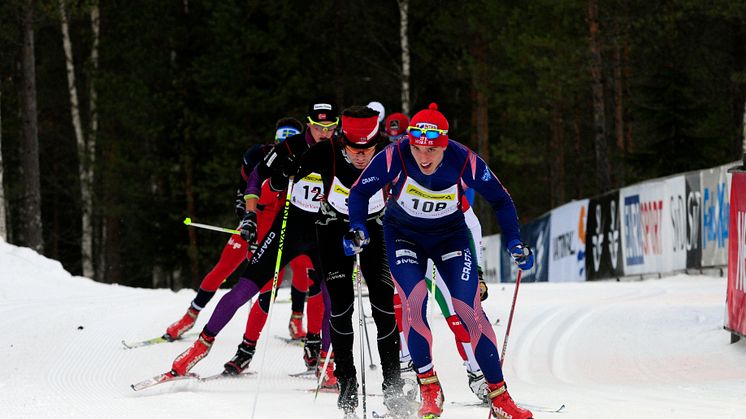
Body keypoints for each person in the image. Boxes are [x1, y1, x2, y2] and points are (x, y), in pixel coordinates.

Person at [345, 103, 535, 419]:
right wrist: (358, 227)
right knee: (412, 302)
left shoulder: (464, 160)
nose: (424, 157)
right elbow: (358, 192)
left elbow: (501, 198)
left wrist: (514, 240)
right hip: (404, 237)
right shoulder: (395, 155)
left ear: (444, 144)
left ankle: (500, 396)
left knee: (469, 310)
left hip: (450, 237)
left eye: (431, 150)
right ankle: (429, 389)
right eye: (418, 148)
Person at [165, 98, 338, 387]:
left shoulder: (340, 149)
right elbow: (257, 175)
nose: (325, 133)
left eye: (330, 127)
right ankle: (200, 347)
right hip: (290, 228)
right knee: (245, 286)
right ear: (309, 124)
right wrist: (249, 215)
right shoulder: (291, 147)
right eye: (319, 127)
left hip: (324, 230)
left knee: (331, 294)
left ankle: (326, 360)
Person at [275, 106, 407, 416]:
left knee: (383, 304)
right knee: (342, 304)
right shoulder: (327, 150)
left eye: (367, 150)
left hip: (375, 226)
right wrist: (286, 170)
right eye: (354, 150)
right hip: (333, 227)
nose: (361, 157)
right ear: (343, 141)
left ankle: (393, 387)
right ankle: (347, 386)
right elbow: (291, 168)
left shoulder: (390, 150)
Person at [163, 117, 314, 344]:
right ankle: (189, 316)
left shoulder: (308, 158)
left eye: (290, 140)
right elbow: (245, 186)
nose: (283, 146)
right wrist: (245, 216)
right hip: (257, 218)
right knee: (224, 267)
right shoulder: (259, 155)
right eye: (280, 139)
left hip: (282, 224)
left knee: (300, 269)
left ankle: (295, 320)